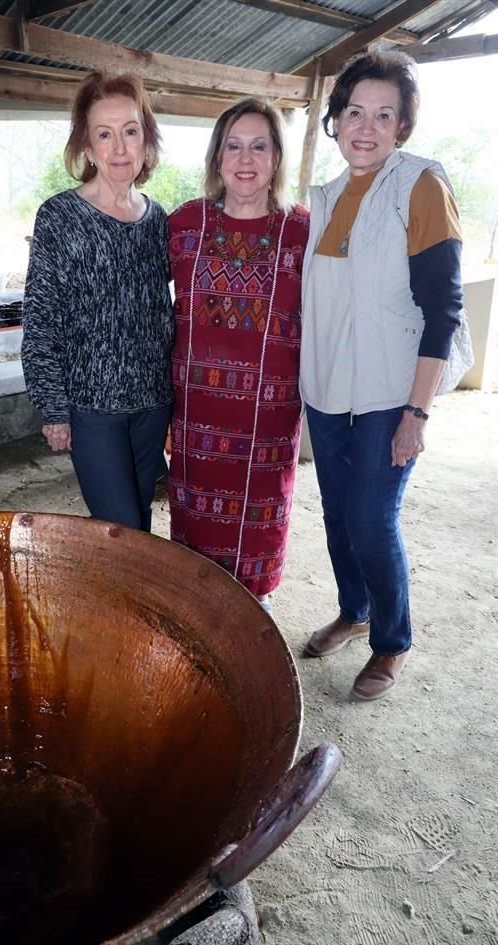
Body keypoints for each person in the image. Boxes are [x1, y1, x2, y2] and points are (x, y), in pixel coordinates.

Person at [300, 50, 463, 699]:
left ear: (402, 126)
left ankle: (391, 638)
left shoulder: (420, 183)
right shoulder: (326, 196)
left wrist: (416, 412)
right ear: (335, 120)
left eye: (383, 114)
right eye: (353, 111)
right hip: (328, 388)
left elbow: (442, 307)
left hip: (390, 393)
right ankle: (354, 606)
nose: (364, 127)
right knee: (339, 514)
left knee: (371, 517)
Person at [168, 98, 309, 615]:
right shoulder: (185, 225)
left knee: (259, 535)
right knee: (195, 550)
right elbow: (133, 299)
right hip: (195, 417)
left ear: (276, 158)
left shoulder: (302, 231)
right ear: (217, 156)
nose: (245, 159)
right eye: (233, 145)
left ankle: (255, 621)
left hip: (268, 424)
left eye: (259, 146)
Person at [21, 73, 174, 533]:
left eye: (130, 131)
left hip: (153, 403)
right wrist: (52, 407)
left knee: (140, 523)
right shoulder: (60, 217)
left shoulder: (158, 219)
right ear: (87, 147)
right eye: (104, 135)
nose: (120, 148)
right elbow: (40, 320)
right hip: (93, 410)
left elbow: (159, 307)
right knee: (118, 530)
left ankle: (131, 608)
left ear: (146, 140)